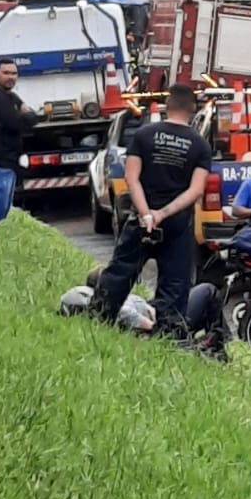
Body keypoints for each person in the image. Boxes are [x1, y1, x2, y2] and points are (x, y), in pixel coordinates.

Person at [90, 84, 212, 336]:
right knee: (175, 283)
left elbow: (131, 178)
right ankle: (167, 336)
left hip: (141, 219)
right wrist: (163, 214)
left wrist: (147, 213)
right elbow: (195, 191)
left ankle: (97, 324)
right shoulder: (200, 145)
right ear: (192, 108)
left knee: (120, 272)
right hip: (177, 223)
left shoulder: (145, 135)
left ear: (168, 105)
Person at [61, 267, 228, 356]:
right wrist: (158, 324)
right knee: (207, 291)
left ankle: (215, 340)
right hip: (165, 321)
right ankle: (217, 344)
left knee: (191, 291)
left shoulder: (107, 299)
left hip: (155, 307)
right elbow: (139, 320)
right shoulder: (117, 307)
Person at [0, 58, 39, 251]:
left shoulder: (11, 98)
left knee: (2, 208)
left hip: (9, 162)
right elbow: (17, 123)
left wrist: (27, 116)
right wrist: (26, 116)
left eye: (13, 73)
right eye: (6, 73)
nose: (10, 77)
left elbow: (32, 117)